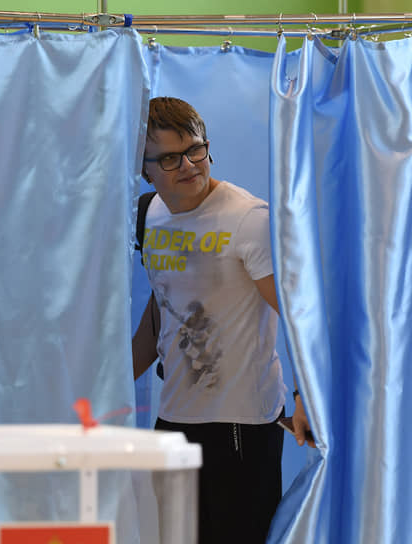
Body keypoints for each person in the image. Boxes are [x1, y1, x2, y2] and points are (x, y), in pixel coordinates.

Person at [131, 96, 312, 544]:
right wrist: (106, 385)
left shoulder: (247, 219)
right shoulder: (148, 215)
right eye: (170, 158)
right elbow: (161, 306)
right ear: (144, 169)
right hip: (174, 420)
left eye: (196, 149)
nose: (190, 165)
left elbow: (299, 318)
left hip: (241, 426)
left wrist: (306, 397)